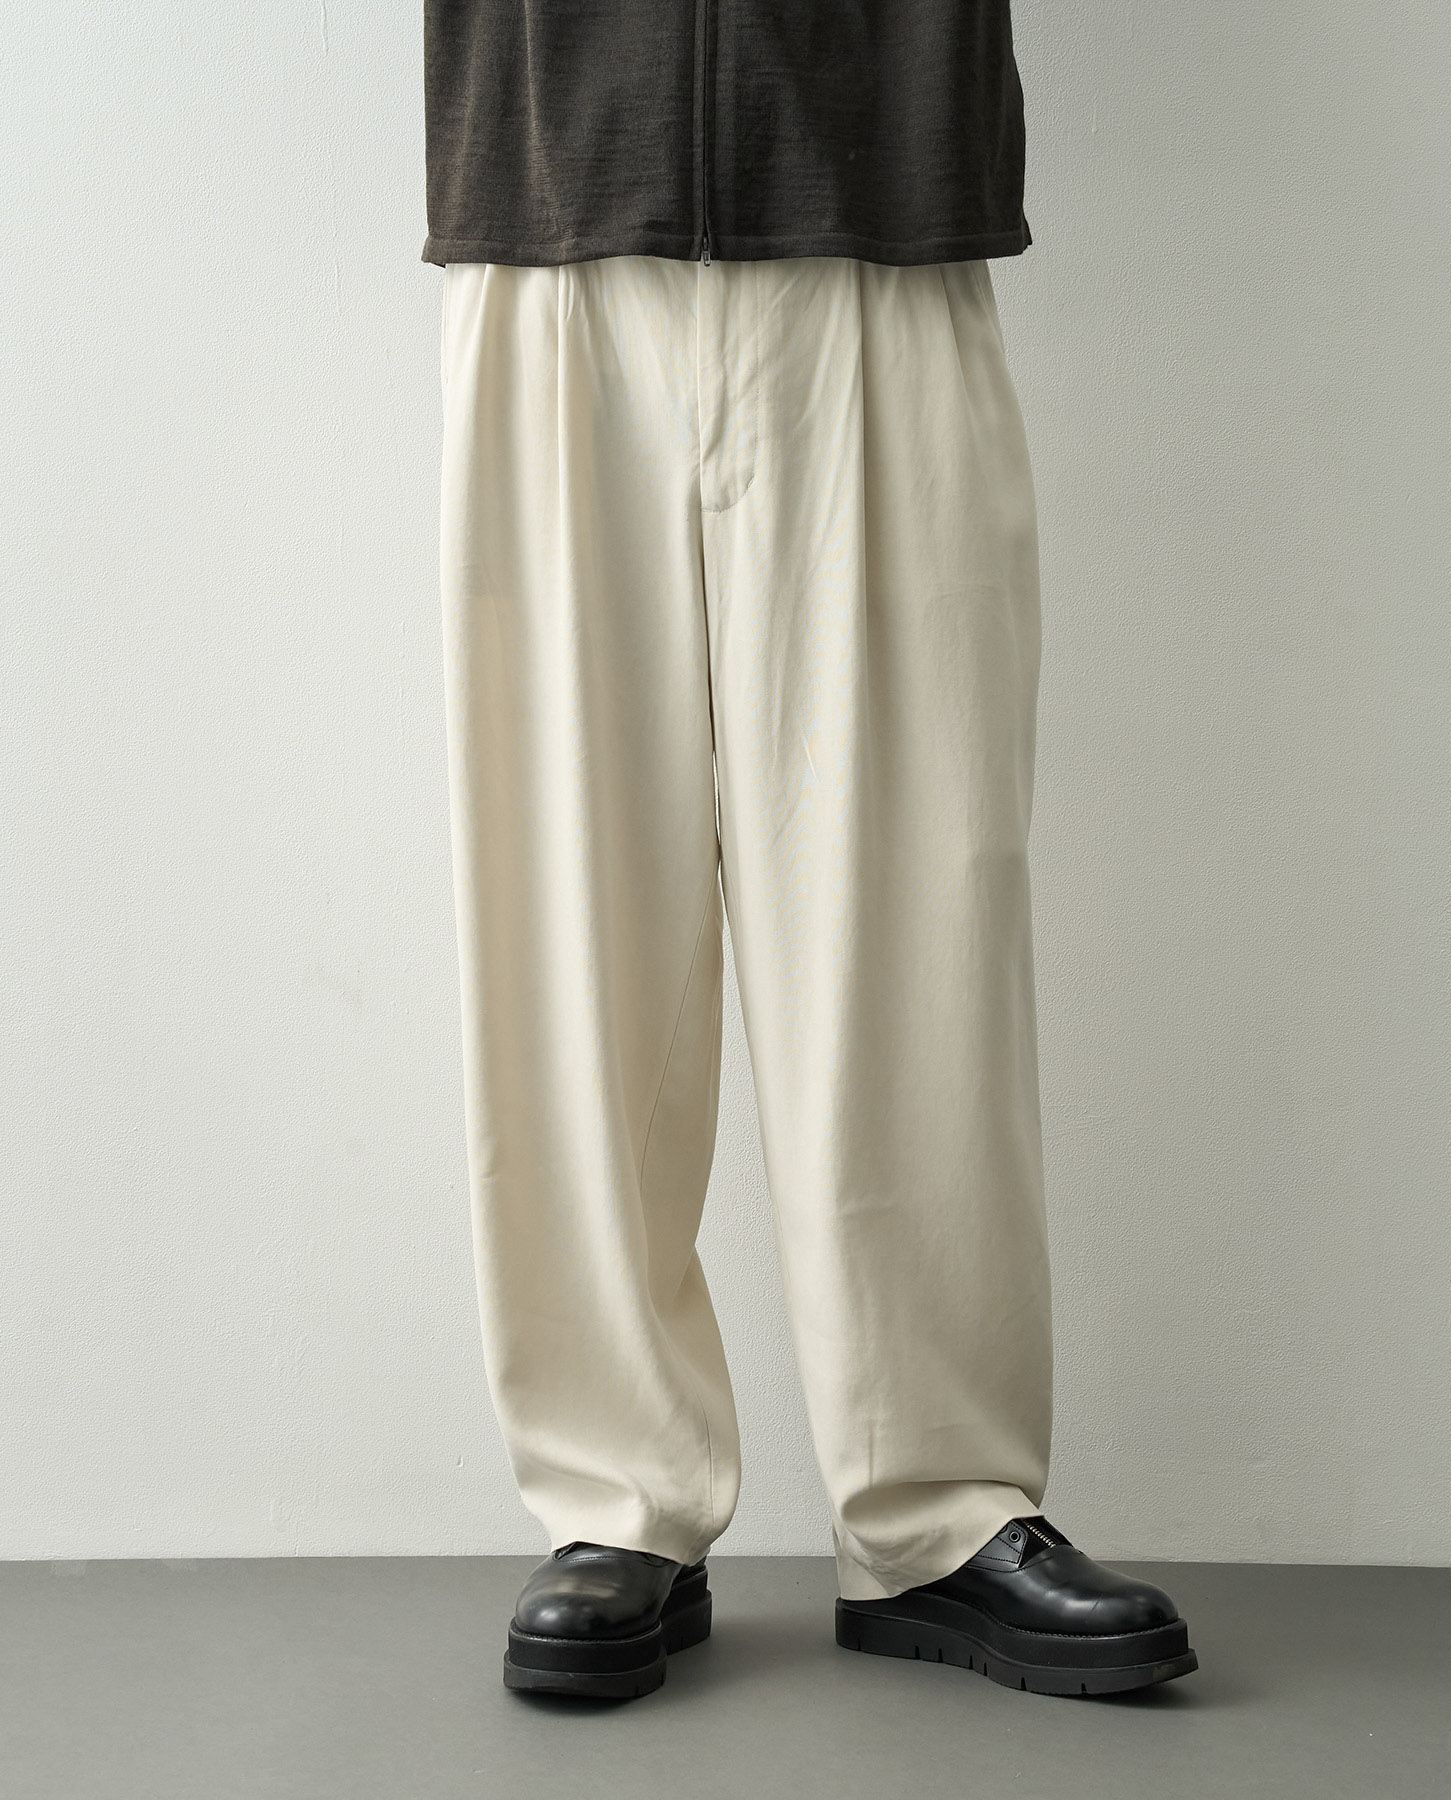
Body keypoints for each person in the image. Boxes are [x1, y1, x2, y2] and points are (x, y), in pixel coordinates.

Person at [424, 0, 1197, 1701]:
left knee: (912, 913)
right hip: (556, 213)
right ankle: (614, 1498)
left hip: (876, 208)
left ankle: (939, 1504)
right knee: (571, 914)